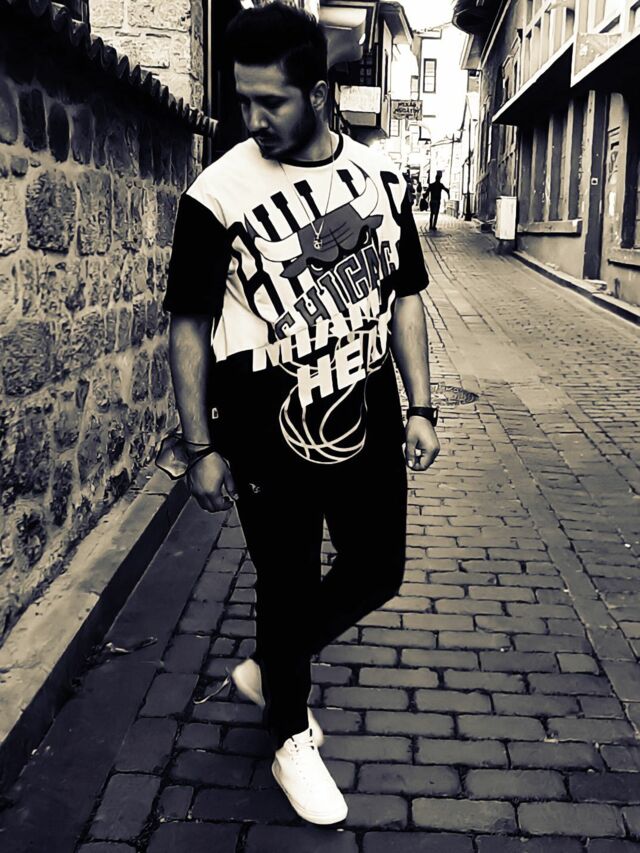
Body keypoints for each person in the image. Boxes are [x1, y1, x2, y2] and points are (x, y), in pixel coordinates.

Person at [163, 1, 440, 827]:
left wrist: (421, 405)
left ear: (317, 94)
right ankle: (289, 734)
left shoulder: (382, 180)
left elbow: (407, 296)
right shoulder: (216, 193)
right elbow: (187, 326)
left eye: (271, 102)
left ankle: (270, 666)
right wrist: (200, 446)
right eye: (242, 100)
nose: (253, 120)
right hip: (262, 422)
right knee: (284, 582)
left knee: (378, 567)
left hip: (366, 407)